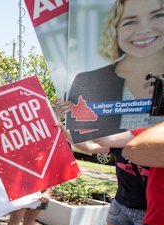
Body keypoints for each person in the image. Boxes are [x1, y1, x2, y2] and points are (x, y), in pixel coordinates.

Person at [56, 104, 148, 225]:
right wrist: (64, 129)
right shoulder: (121, 141)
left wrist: (85, 114)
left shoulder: (151, 141)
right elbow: (88, 147)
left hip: (148, 211)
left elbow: (102, 137)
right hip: (122, 204)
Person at [66, 0, 164, 141]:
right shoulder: (87, 82)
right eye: (130, 22)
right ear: (115, 30)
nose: (144, 29)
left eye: (157, 16)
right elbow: (89, 140)